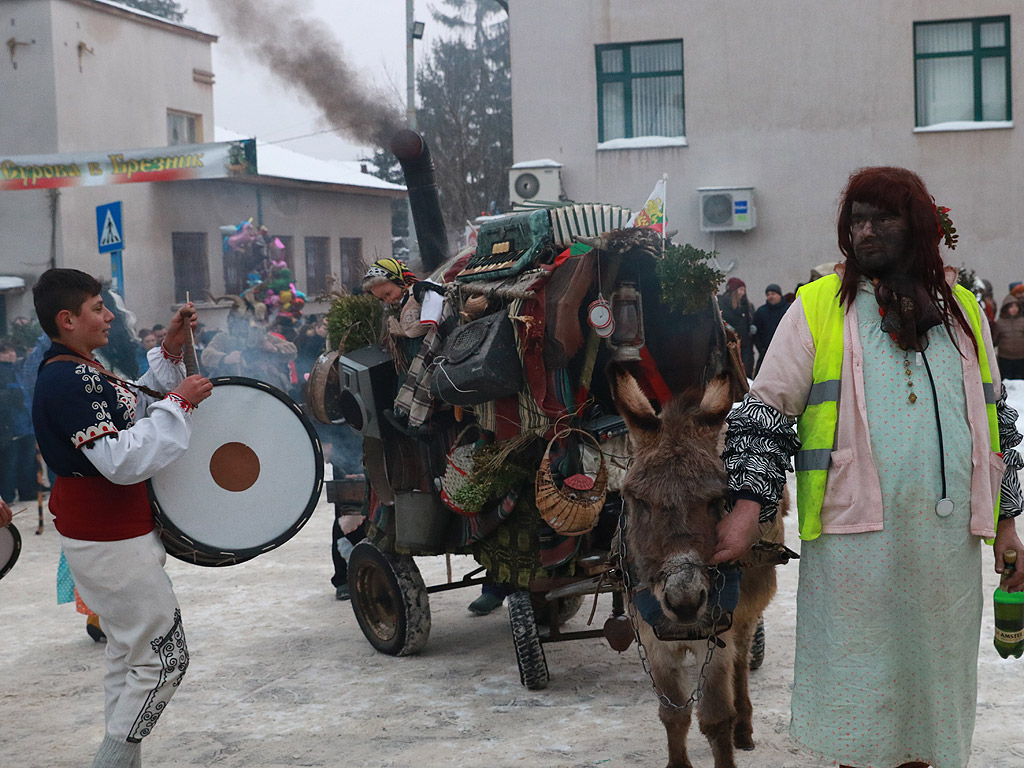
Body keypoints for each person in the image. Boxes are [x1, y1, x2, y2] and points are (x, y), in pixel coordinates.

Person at [715, 167, 1023, 768]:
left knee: (934, 690)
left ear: (919, 226)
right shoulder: (818, 309)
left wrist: (1007, 522)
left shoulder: (963, 312)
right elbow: (764, 413)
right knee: (860, 690)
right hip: (856, 543)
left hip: (945, 548)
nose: (867, 231)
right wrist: (746, 511)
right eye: (856, 219)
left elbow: (996, 424)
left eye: (884, 218)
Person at [31, 268, 213, 768]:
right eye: (96, 307)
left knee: (129, 657)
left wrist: (171, 354)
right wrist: (179, 403)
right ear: (67, 320)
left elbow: (129, 408)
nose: (109, 315)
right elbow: (121, 459)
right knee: (163, 663)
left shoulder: (78, 368)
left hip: (113, 535)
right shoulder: (67, 379)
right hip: (109, 540)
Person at [201, 299, 297, 393]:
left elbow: (292, 349)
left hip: (267, 389)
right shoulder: (224, 338)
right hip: (234, 390)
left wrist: (274, 348)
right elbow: (206, 355)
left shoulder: (263, 337)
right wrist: (226, 358)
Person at [0, 342, 37, 505]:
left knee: (28, 461)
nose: (11, 355)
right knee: (10, 464)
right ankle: (7, 496)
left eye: (12, 351)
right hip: (10, 427)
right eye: (6, 352)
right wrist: (13, 394)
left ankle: (28, 492)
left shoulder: (19, 370)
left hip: (27, 425)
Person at [718, 276, 755, 376]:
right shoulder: (722, 304)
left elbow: (750, 321)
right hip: (730, 344)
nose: (742, 292)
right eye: (740, 289)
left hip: (745, 344)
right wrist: (727, 327)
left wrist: (752, 326)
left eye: (744, 290)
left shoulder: (747, 306)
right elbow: (720, 319)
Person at [751, 283, 789, 376]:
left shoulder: (788, 310)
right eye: (768, 294)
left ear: (779, 295)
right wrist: (761, 348)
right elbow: (755, 333)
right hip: (766, 353)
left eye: (773, 293)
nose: (770, 296)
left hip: (785, 354)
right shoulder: (761, 312)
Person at [991, 291, 1024, 380]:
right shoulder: (999, 323)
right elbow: (994, 340)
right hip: (1005, 359)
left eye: (1016, 306)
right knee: (1007, 382)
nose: (1014, 309)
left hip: (1021, 358)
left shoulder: (1022, 321)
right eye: (1011, 306)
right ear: (1006, 308)